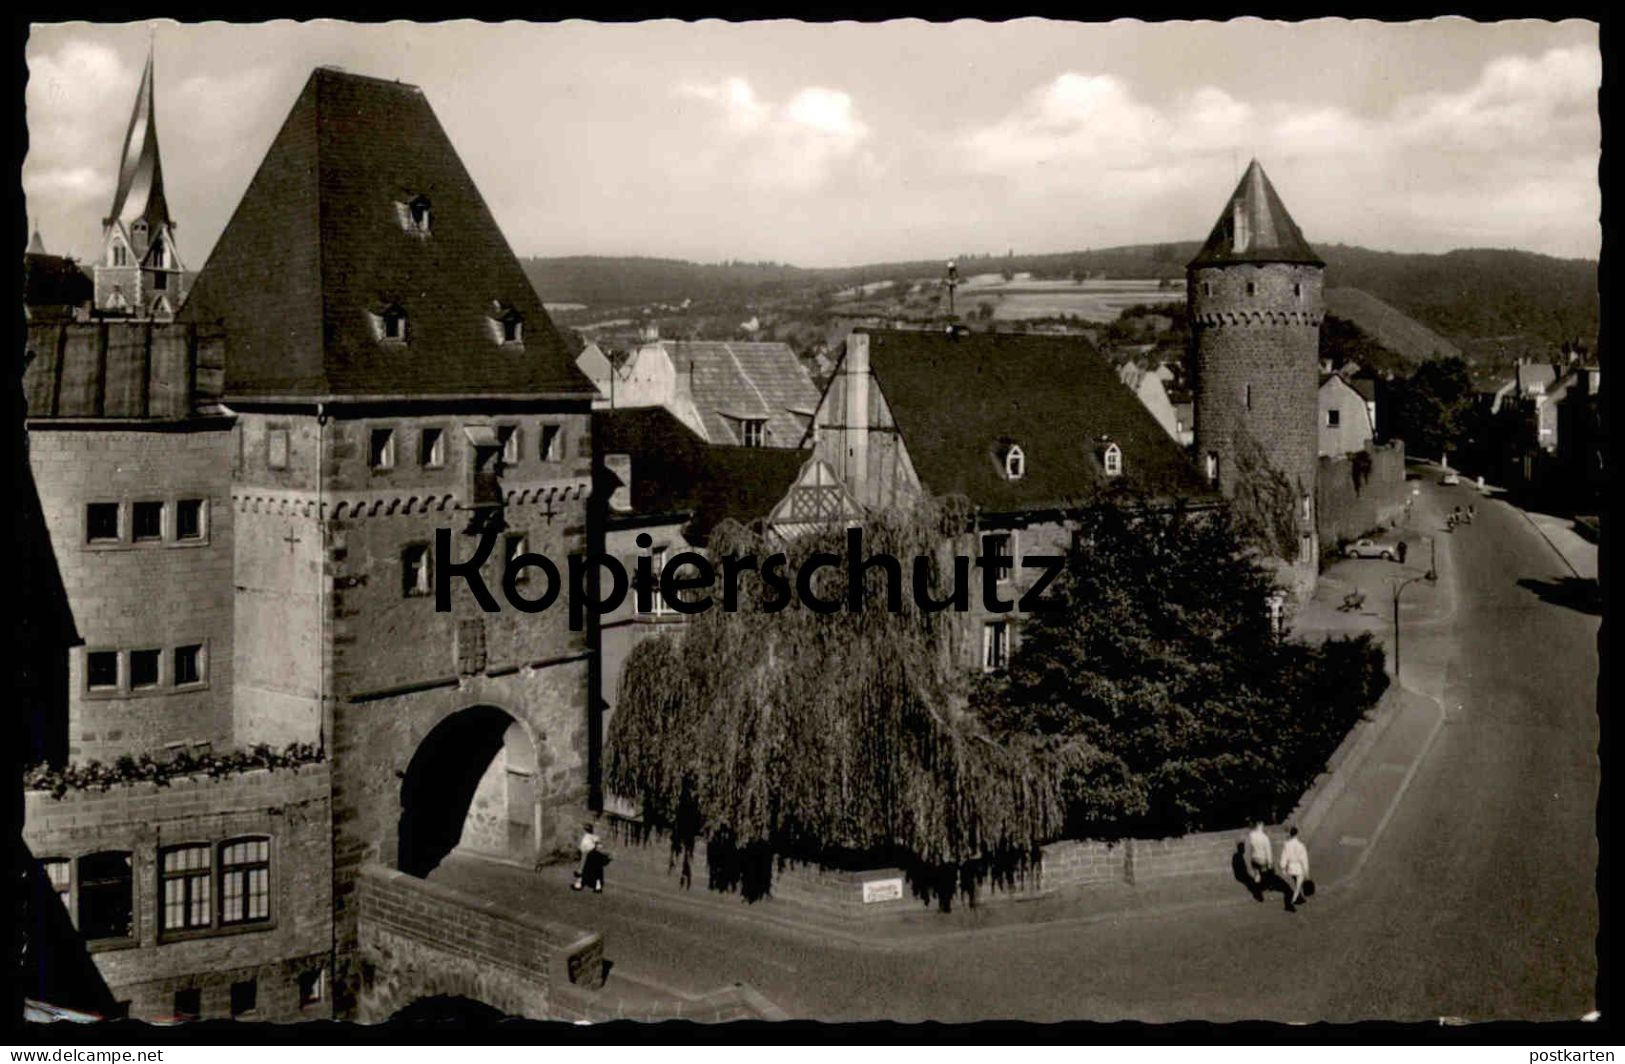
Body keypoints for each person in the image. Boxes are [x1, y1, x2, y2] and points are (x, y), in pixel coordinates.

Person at [1279, 826, 1310, 908]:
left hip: (1291, 868)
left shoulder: (1287, 845)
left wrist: (1283, 868)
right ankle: (1292, 901)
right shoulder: (1301, 845)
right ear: (1297, 834)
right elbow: (1304, 860)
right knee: (1298, 885)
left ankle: (1299, 897)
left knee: (1296, 882)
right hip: (1299, 868)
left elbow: (1284, 857)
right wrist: (1306, 871)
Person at [572, 822, 601, 892]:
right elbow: (598, 844)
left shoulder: (585, 837)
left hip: (587, 854)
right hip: (593, 853)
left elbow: (582, 847)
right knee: (594, 871)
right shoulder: (593, 837)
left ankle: (578, 885)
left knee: (581, 869)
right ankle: (597, 887)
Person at [1245, 822, 1273, 891]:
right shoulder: (1265, 837)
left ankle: (1257, 876)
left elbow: (1249, 845)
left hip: (1254, 858)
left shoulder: (1251, 835)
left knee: (1257, 869)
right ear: (1260, 826)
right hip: (1262, 859)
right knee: (1265, 873)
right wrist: (1270, 862)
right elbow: (1268, 851)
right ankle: (1263, 885)